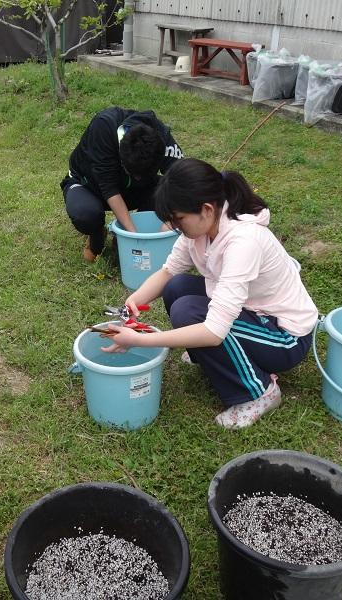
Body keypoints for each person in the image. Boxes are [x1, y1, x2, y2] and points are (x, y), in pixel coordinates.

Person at [101, 158, 318, 428]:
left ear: (205, 209)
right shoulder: (200, 230)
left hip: (284, 337)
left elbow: (214, 332)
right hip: (252, 312)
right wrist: (135, 299)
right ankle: (209, 355)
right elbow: (168, 272)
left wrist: (141, 340)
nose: (176, 227)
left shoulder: (243, 241)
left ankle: (260, 392)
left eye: (179, 219)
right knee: (177, 287)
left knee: (190, 314)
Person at [61, 106, 184, 262]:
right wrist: (134, 237)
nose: (139, 178)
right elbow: (108, 188)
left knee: (168, 191)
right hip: (90, 186)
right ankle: (98, 235)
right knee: (86, 214)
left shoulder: (161, 137)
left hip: (130, 188)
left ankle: (119, 241)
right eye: (134, 173)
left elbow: (182, 180)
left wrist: (169, 222)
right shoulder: (103, 128)